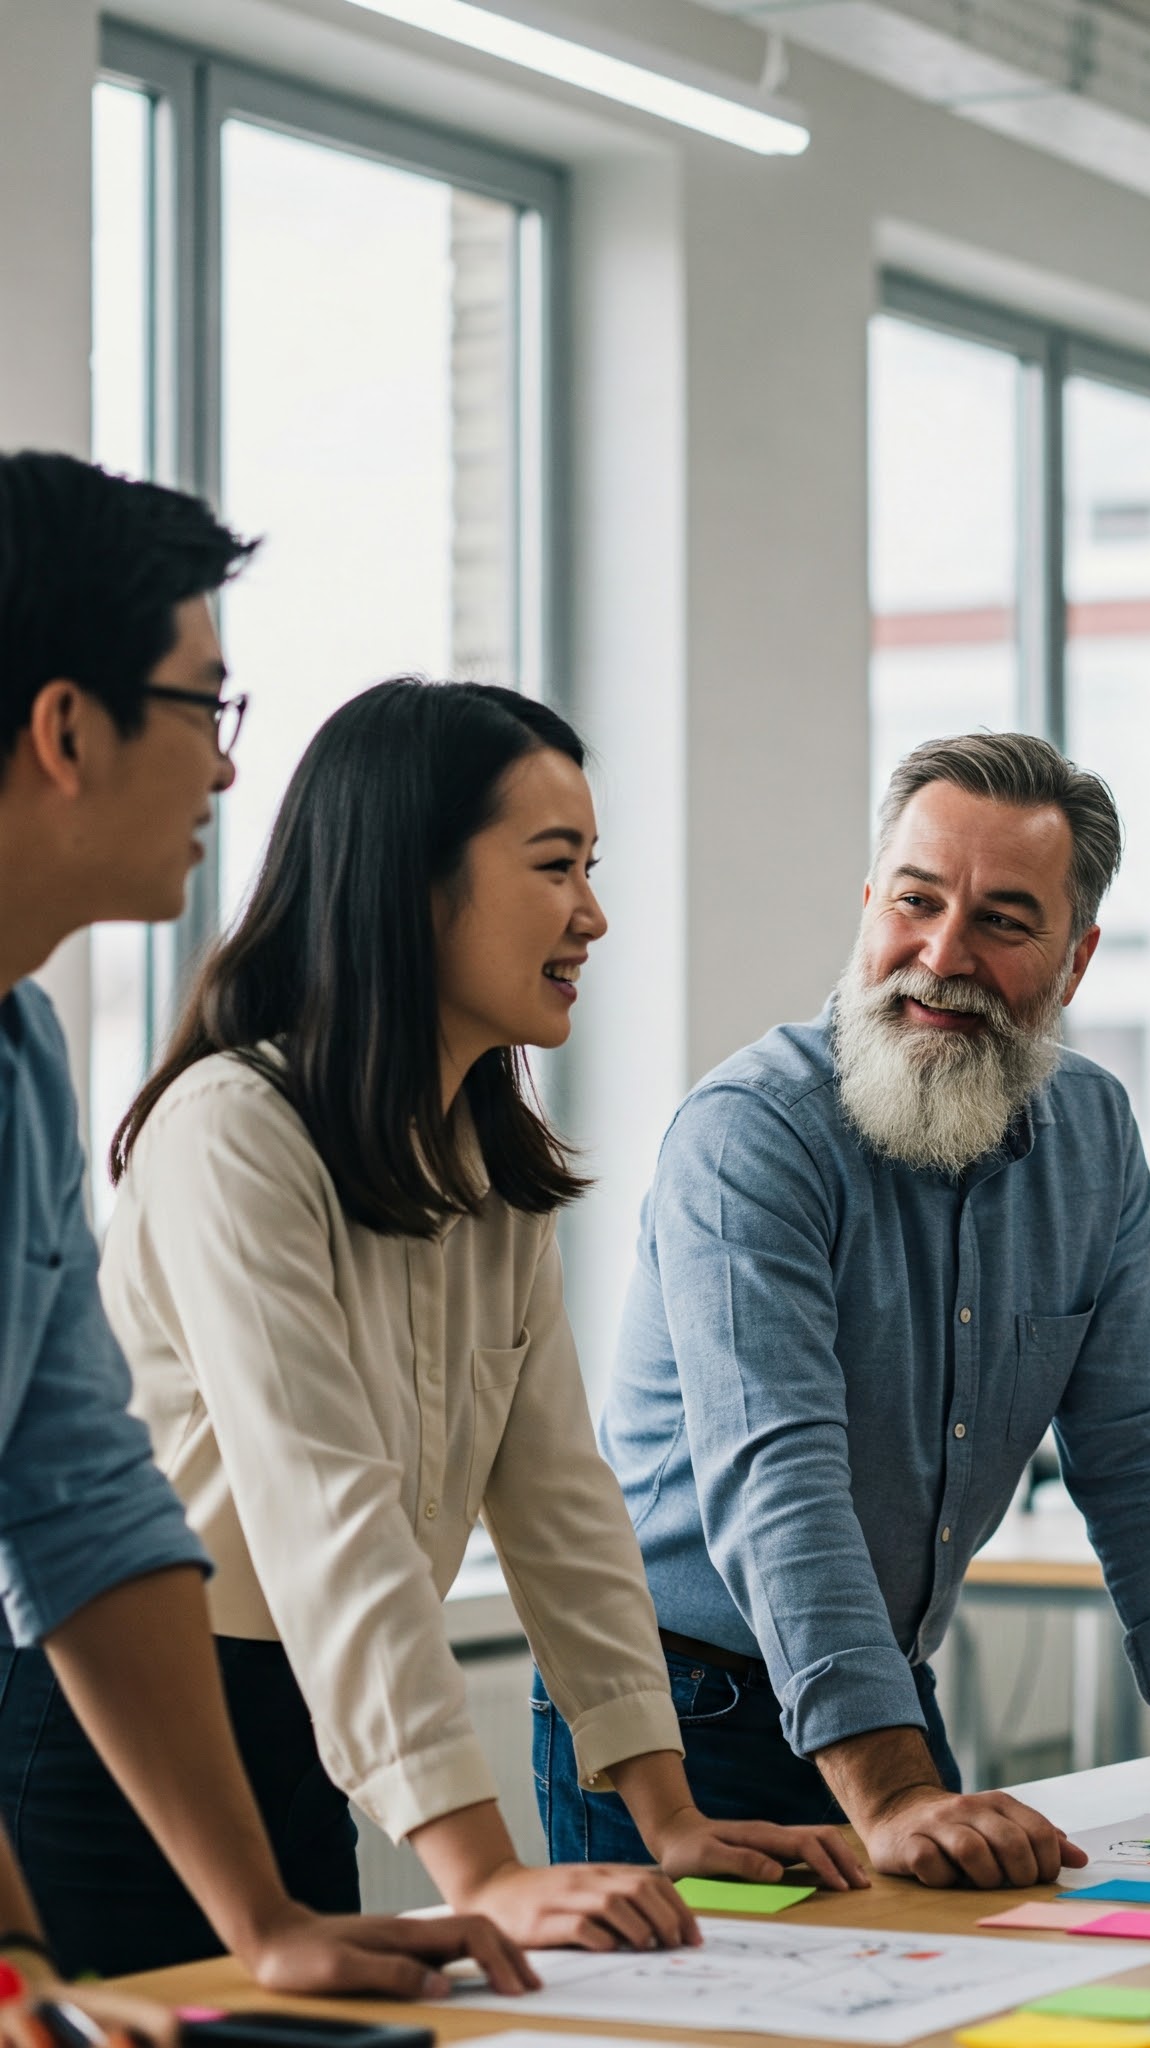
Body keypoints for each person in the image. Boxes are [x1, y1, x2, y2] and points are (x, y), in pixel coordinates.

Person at [36, 677, 868, 1979]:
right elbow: (331, 1514)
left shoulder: (489, 1167)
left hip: (305, 1736)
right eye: (555, 867)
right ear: (413, 880)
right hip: (120, 1752)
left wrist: (669, 1813)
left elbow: (561, 1504)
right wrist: (482, 1872)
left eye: (593, 869)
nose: (593, 916)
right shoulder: (234, 1131)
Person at [538, 731, 1150, 1887]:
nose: (939, 954)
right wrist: (900, 1792)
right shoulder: (750, 1134)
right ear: (868, 903)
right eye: (914, 901)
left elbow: (1136, 1441)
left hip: (883, 1690)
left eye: (1003, 921)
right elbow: (780, 1482)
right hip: (675, 1717)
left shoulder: (1093, 1133)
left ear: (1076, 957)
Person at [0, 449, 530, 2014]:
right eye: (204, 707)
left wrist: (263, 1920)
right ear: (66, 728)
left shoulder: (24, 1058)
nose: (231, 771)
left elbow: (82, 1496)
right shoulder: (228, 1117)